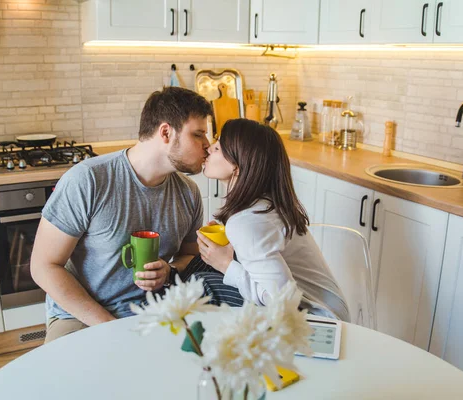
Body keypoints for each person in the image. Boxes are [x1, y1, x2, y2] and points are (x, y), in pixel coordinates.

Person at [30, 87, 212, 342]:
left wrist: (169, 270)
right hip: (82, 316)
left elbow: (189, 256)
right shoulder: (89, 180)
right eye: (199, 134)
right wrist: (109, 326)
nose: (208, 146)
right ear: (166, 133)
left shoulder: (188, 193)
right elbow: (43, 266)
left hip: (153, 311)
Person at [181, 119, 350, 321]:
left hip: (316, 321)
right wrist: (230, 250)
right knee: (203, 265)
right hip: (325, 310)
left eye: (218, 147)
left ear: (237, 165)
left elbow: (283, 302)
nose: (209, 148)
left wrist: (227, 264)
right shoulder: (262, 205)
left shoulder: (248, 221)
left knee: (201, 283)